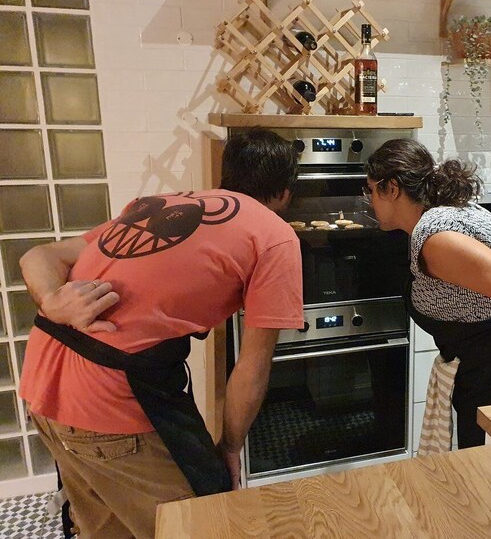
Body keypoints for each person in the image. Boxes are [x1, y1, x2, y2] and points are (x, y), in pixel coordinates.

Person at [18, 128, 303, 539]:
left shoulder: (156, 205)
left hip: (41, 386)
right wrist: (228, 448)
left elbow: (39, 254)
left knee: (107, 529)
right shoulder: (275, 235)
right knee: (205, 524)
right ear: (286, 192)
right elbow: (253, 367)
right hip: (109, 406)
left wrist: (50, 300)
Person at [364, 139, 491, 450]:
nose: (368, 200)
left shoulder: (436, 236)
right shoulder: (443, 213)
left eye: (370, 190)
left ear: (391, 189)